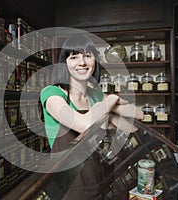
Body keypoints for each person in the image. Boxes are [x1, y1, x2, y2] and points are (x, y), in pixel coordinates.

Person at [40, 34, 143, 199]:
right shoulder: (52, 94)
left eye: (88, 56)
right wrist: (110, 100)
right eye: (74, 57)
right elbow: (83, 124)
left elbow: (137, 118)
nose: (82, 62)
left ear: (95, 62)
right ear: (64, 64)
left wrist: (111, 102)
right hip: (69, 185)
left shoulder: (95, 95)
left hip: (98, 176)